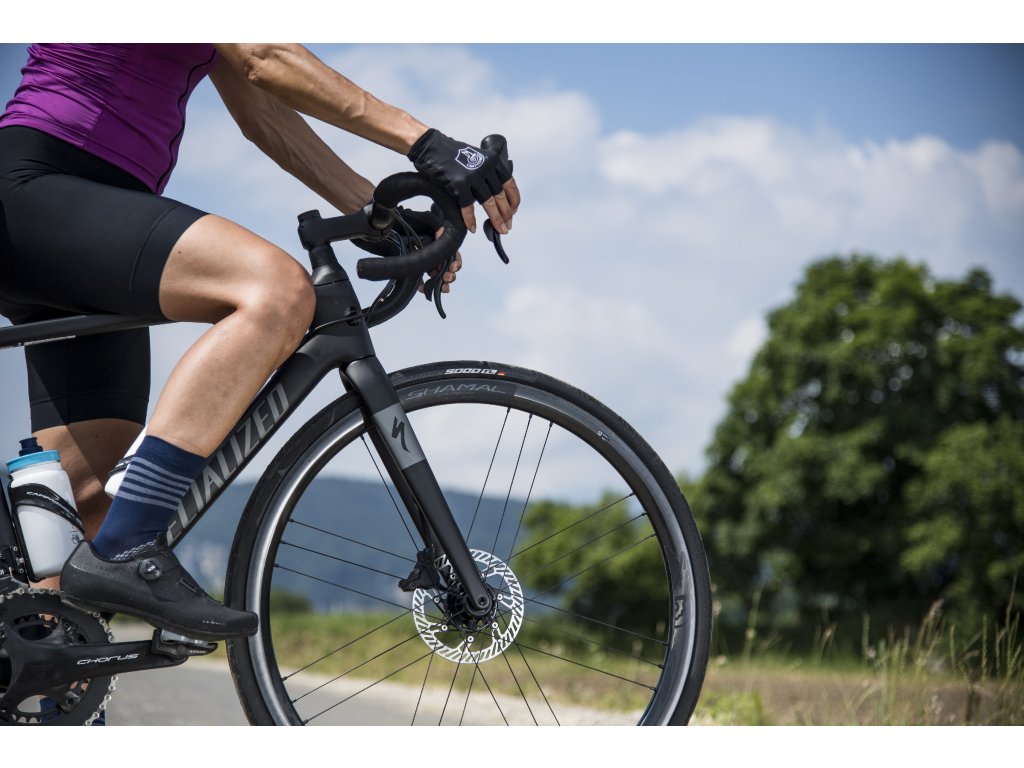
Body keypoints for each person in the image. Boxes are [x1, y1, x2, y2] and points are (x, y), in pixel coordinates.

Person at [0, 43, 520, 641]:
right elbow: (264, 56)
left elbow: (262, 112)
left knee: (80, 522)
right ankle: (129, 551)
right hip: (43, 184)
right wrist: (427, 143)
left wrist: (378, 217)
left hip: (81, 221)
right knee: (275, 291)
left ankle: (45, 667)